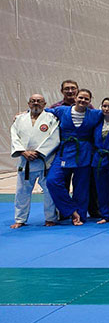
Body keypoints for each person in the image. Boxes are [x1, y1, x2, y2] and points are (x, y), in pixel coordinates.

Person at [46, 89, 109, 225]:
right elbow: (45, 111)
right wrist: (24, 113)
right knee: (52, 181)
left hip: (84, 153)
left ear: (90, 101)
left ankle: (80, 216)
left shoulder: (94, 114)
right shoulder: (62, 110)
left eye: (86, 99)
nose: (83, 100)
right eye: (81, 97)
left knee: (81, 188)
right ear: (76, 98)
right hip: (65, 151)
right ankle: (71, 210)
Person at [10, 94, 60, 228]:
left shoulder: (51, 118)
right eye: (33, 101)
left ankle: (50, 218)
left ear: (44, 104)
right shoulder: (19, 119)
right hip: (25, 161)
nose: (36, 103)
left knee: (49, 192)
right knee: (22, 192)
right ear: (29, 104)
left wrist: (39, 152)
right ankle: (20, 219)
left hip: (44, 161)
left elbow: (54, 137)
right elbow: (14, 137)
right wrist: (23, 151)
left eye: (39, 101)